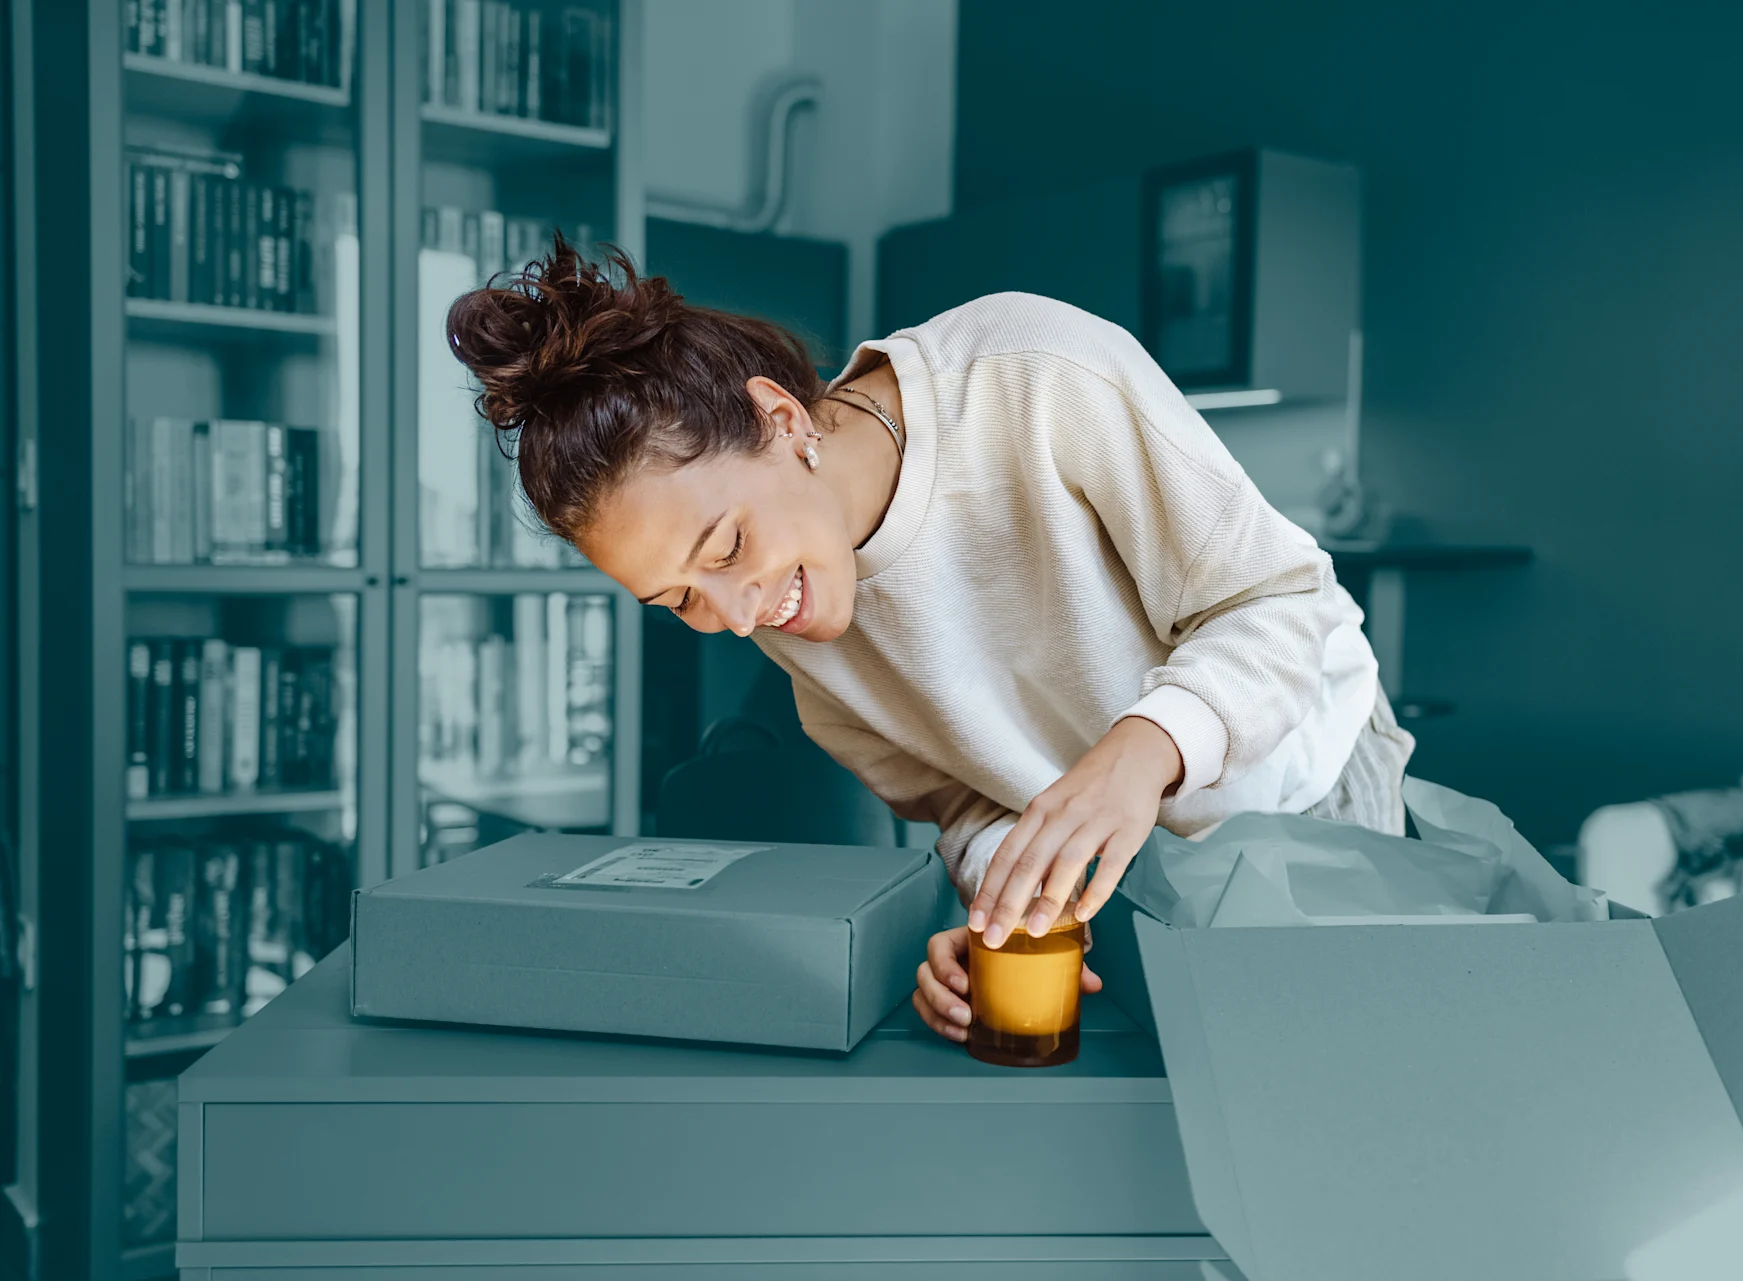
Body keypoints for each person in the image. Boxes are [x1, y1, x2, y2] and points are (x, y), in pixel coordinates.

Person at [444, 237, 1416, 1042]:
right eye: (679, 601)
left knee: (1354, 1075)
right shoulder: (785, 605)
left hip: (1304, 780)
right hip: (1138, 863)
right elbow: (961, 794)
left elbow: (1278, 599)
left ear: (780, 419)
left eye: (727, 546)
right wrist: (997, 908)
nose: (735, 616)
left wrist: (1139, 754)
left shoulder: (1033, 376)